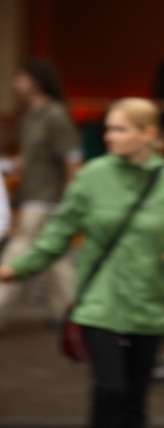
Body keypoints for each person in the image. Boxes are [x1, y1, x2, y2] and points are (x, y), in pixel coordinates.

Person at [0, 98, 164, 428]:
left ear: (148, 134)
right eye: (108, 128)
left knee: (135, 402)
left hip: (148, 304)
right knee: (109, 389)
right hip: (98, 304)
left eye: (120, 129)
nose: (108, 136)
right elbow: (58, 232)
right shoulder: (93, 176)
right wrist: (17, 268)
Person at [0, 60, 81, 330]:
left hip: (47, 200)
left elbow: (72, 157)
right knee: (55, 260)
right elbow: (30, 157)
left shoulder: (55, 115)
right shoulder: (29, 117)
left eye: (22, 77)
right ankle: (72, 315)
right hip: (33, 196)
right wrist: (8, 165)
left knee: (18, 254)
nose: (16, 82)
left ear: (38, 81)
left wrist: (70, 196)